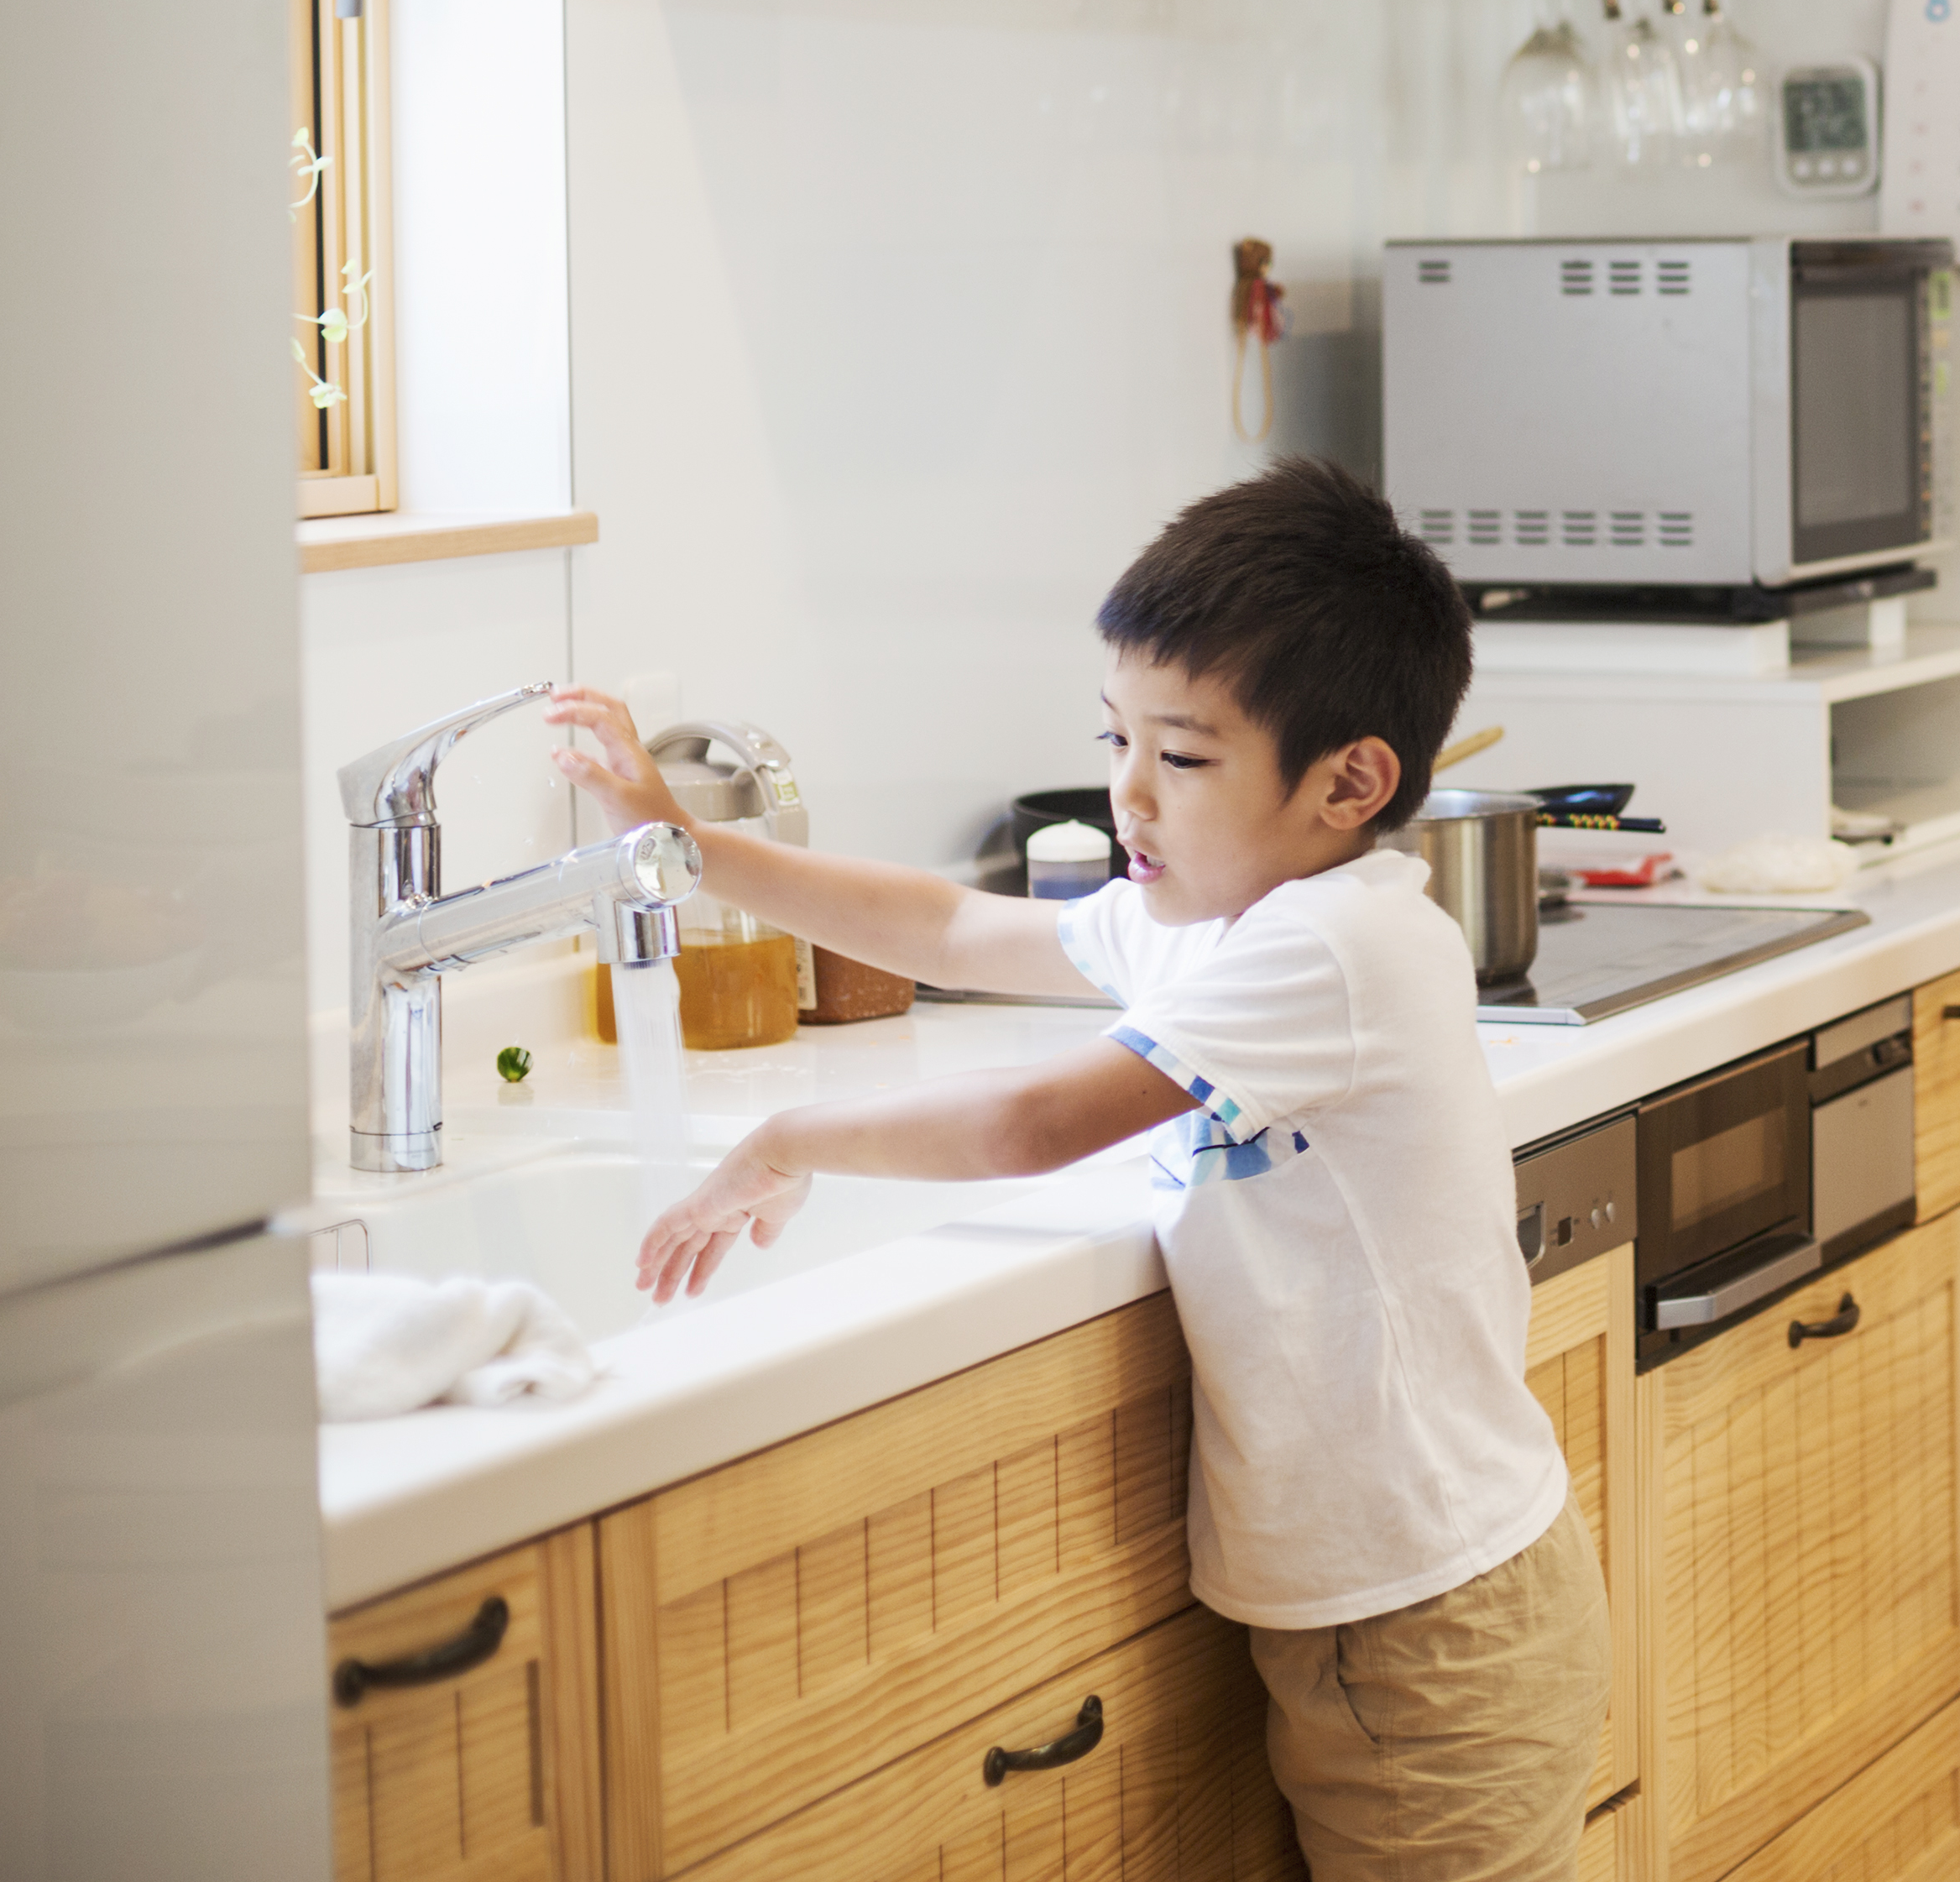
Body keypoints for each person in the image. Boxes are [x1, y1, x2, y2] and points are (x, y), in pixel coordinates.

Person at [550, 457, 1606, 1882]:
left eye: (1180, 756)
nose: (1128, 793)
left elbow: (1032, 1125)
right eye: (1114, 735)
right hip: (1386, 1589)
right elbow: (944, 927)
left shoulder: (1337, 940)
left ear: (1348, 781)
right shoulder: (1210, 920)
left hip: (1435, 1616)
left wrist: (791, 1134)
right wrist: (683, 848)